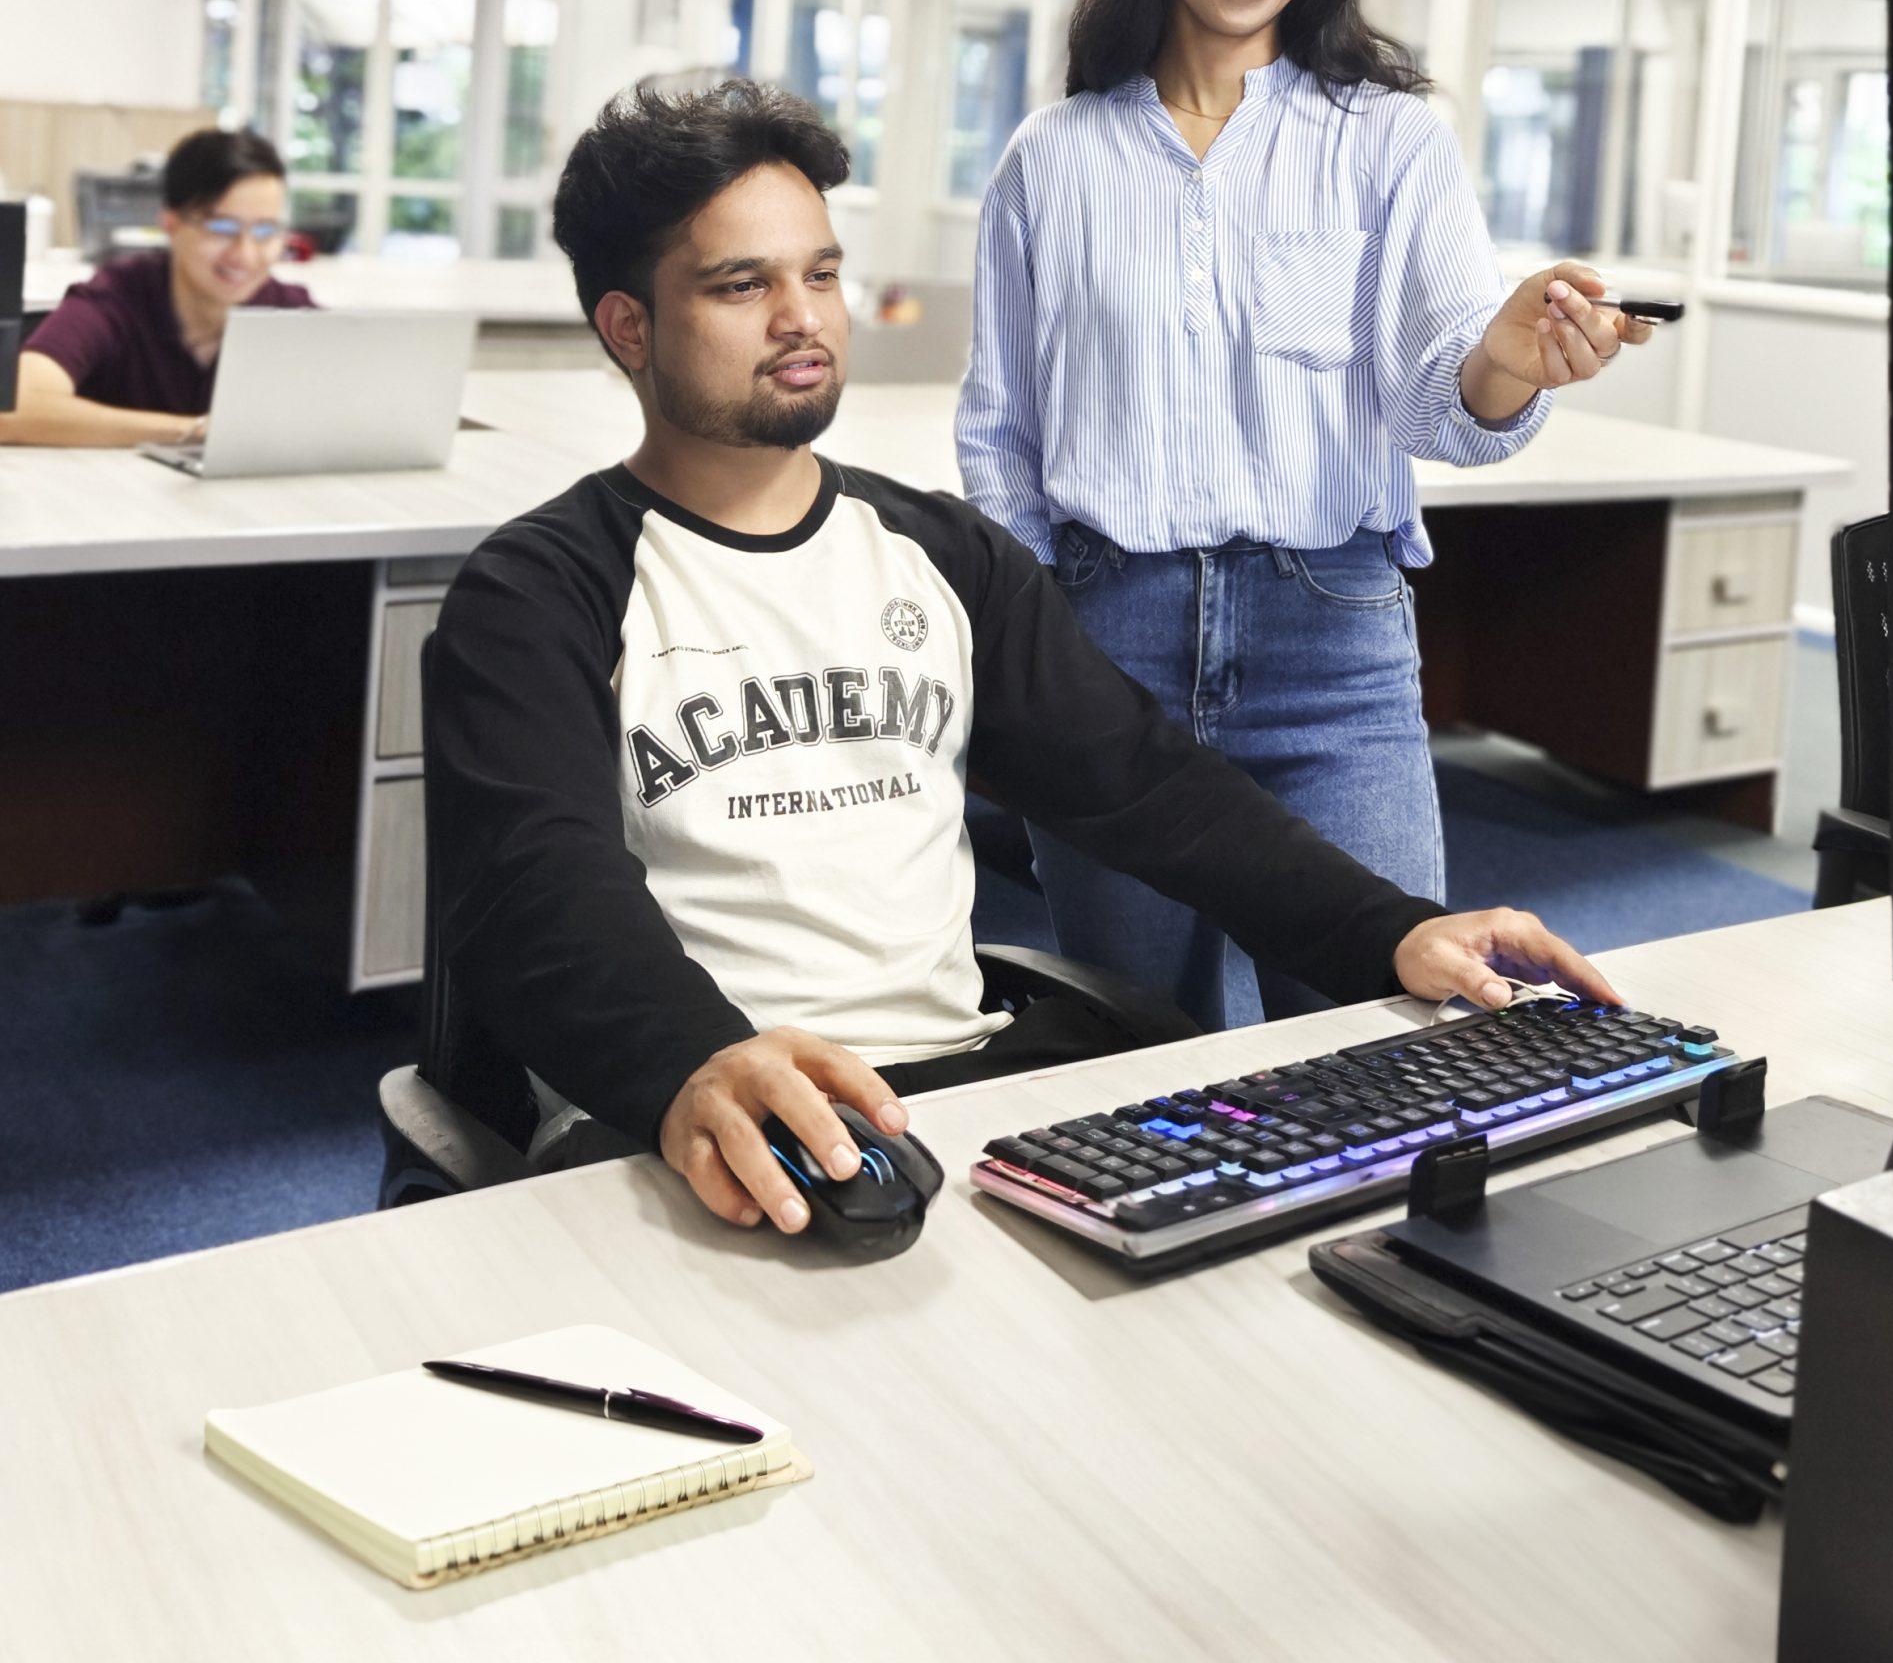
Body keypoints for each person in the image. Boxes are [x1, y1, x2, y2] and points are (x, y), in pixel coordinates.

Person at [424, 77, 1619, 1244]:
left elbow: (1146, 785)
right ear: (627, 323)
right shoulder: (539, 593)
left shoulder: (942, 554)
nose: (803, 319)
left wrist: (1392, 928)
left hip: (955, 1090)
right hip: (698, 1105)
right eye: (743, 285)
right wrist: (690, 1059)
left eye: (821, 274)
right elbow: (539, 887)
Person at [955, 0, 1658, 1035]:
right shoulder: (1051, 160)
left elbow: (1442, 410)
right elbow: (1002, 429)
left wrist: (1509, 359)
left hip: (1328, 647)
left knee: (1385, 1035)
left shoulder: (1389, 141)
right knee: (1132, 1044)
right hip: (1108, 645)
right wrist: (1031, 632)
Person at [0, 127, 313, 448]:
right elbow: (13, 410)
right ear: (171, 223)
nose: (245, 255)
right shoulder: (116, 297)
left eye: (265, 231)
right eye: (222, 227)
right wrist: (197, 432)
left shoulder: (288, 311)